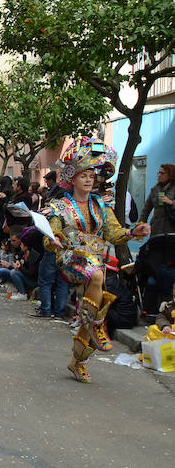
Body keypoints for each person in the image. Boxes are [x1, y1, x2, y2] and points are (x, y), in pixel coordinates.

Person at [45, 137, 150, 383]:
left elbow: (114, 233)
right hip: (71, 259)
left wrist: (134, 232)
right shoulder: (59, 205)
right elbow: (50, 235)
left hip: (94, 262)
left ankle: (77, 361)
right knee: (98, 278)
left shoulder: (102, 205)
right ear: (73, 179)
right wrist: (54, 240)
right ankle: (98, 323)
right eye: (84, 175)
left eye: (92, 175)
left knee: (95, 305)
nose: (90, 179)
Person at [139, 164, 175, 237]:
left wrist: (171, 202)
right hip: (157, 229)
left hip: (172, 228)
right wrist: (140, 225)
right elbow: (146, 209)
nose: (159, 175)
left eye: (162, 173)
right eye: (158, 173)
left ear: (170, 174)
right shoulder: (155, 189)